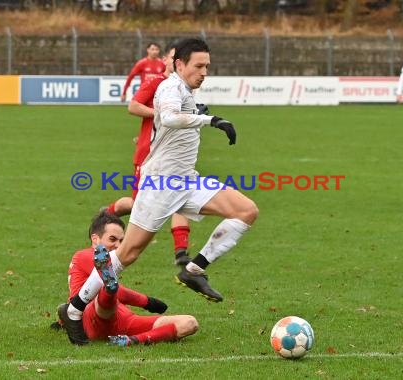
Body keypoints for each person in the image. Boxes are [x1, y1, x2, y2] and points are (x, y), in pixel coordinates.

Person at [60, 38, 258, 345]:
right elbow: (166, 117)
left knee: (246, 210)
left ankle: (193, 270)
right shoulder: (169, 87)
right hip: (161, 185)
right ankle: (74, 309)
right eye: (199, 66)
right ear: (179, 64)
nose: (205, 71)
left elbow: (176, 118)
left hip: (187, 181)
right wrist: (211, 120)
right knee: (127, 254)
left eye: (207, 66)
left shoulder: (186, 91)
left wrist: (197, 111)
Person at [106, 43, 196, 267]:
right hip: (149, 155)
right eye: (174, 58)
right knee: (140, 206)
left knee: (180, 198)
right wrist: (162, 115)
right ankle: (108, 213)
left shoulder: (184, 89)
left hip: (173, 156)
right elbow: (133, 106)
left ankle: (181, 252)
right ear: (167, 60)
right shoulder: (156, 82)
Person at [56, 211, 198, 346]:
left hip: (123, 319)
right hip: (93, 317)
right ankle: (109, 288)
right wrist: (148, 302)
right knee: (108, 290)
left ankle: (131, 341)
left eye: (121, 241)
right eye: (112, 239)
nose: (118, 245)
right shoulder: (85, 255)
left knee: (189, 323)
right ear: (95, 238)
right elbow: (121, 293)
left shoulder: (106, 259)